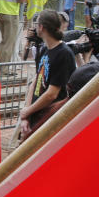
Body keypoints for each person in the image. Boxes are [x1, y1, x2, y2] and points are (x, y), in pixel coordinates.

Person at [19, 10, 75, 138]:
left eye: (36, 23)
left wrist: (28, 110)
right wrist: (27, 113)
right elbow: (35, 82)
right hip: (35, 113)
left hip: (50, 117)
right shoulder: (45, 49)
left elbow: (52, 94)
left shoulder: (63, 54)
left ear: (41, 27)